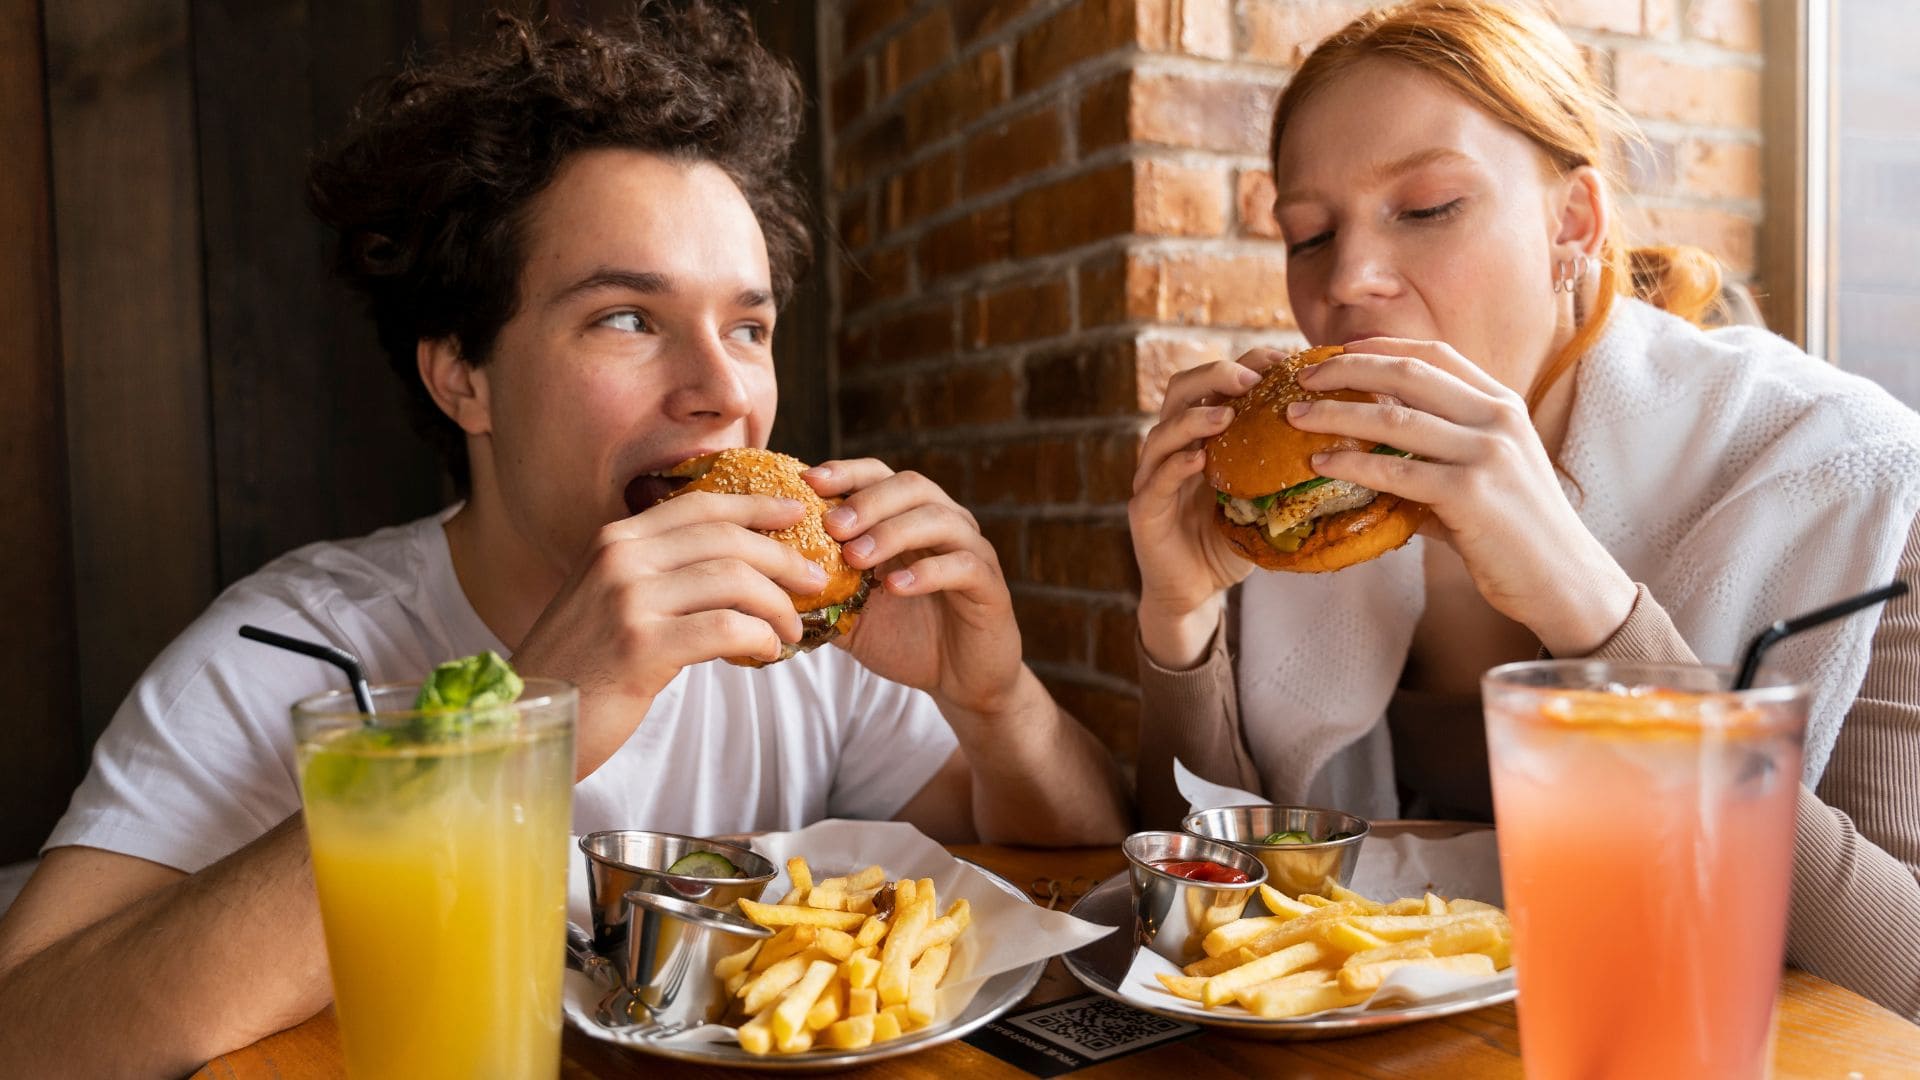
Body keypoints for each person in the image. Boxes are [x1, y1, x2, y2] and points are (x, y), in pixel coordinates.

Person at [0, 6, 1127, 1073]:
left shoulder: (805, 634)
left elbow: (1066, 861)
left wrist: (992, 700)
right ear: (463, 377)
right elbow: (30, 1031)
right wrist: (519, 729)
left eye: (748, 325)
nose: (723, 390)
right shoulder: (292, 647)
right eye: (627, 318)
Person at [1128, 0, 1920, 1018]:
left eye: (1425, 209)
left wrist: (1591, 609)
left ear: (1571, 226)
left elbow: (1903, 979)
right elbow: (1210, 919)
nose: (1350, 281)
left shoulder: (1854, 474)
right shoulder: (1304, 504)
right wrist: (1178, 623)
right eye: (1310, 235)